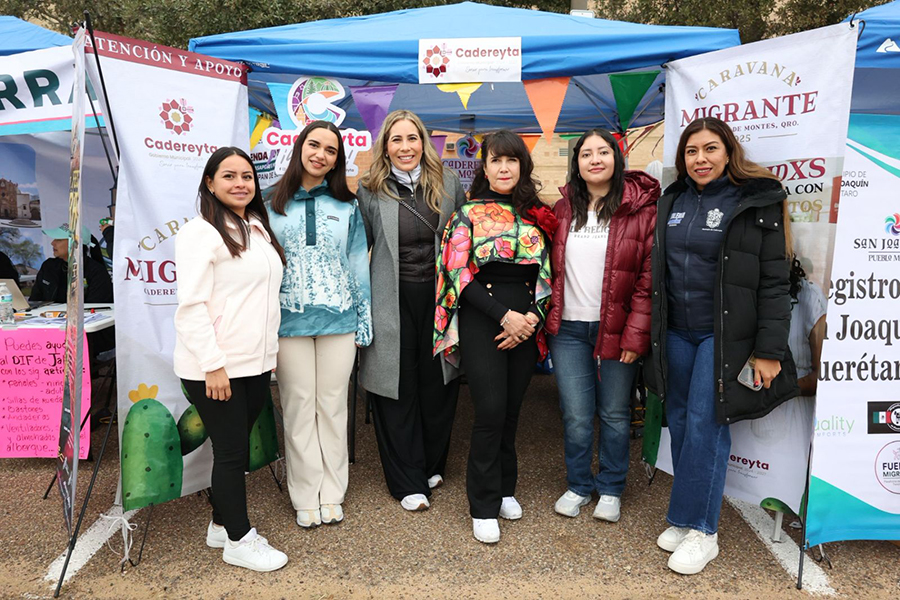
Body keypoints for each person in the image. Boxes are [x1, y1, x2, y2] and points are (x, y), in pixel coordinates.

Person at [649, 117, 799, 575]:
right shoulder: (671, 199)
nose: (700, 159)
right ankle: (683, 513)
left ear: (728, 151)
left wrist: (769, 349)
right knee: (679, 420)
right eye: (691, 152)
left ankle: (703, 530)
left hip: (725, 334)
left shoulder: (757, 201)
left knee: (705, 422)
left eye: (710, 149)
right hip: (676, 331)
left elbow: (775, 282)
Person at [434, 130, 555, 544]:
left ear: (522, 165)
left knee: (511, 411)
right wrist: (504, 316)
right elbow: (456, 274)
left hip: (525, 322)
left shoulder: (537, 213)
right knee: (488, 410)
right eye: (495, 160)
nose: (504, 168)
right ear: (484, 167)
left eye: (512, 160)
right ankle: (482, 504)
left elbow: (548, 274)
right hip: (483, 319)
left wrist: (530, 320)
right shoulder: (466, 214)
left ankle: (505, 487)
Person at [173, 147, 288, 572]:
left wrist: (267, 355)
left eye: (247, 176)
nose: (240, 183)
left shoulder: (256, 225)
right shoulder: (199, 232)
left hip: (254, 364)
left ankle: (220, 525)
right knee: (232, 452)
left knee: (234, 447)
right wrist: (212, 364)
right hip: (216, 368)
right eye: (229, 176)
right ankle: (239, 540)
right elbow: (191, 307)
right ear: (210, 182)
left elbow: (262, 301)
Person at [545, 129, 659, 522]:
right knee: (576, 413)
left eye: (603, 152)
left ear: (617, 158)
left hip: (617, 327)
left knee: (613, 412)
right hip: (569, 329)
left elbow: (648, 279)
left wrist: (636, 334)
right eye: (586, 154)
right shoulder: (562, 210)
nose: (595, 159)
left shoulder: (640, 210)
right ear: (576, 163)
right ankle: (578, 484)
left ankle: (611, 487)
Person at [357, 110, 466, 512]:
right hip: (391, 299)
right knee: (396, 386)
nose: (405, 147)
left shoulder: (449, 182)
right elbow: (358, 249)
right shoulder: (370, 189)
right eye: (396, 139)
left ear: (424, 142)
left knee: (438, 383)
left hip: (438, 300)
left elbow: (461, 241)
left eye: (412, 138)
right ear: (385, 146)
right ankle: (407, 480)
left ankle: (432, 463)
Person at [267, 120, 372, 529]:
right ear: (300, 148)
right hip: (287, 322)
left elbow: (357, 264)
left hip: (339, 320)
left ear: (337, 160)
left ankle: (333, 492)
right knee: (297, 407)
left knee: (332, 406)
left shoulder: (348, 205)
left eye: (330, 150)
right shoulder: (269, 201)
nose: (321, 155)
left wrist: (364, 319)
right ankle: (304, 494)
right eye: (314, 145)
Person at [30, 223, 112, 304]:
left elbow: (97, 309)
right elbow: (34, 301)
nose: (52, 243)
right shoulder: (48, 266)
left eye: (59, 239)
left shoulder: (97, 272)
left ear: (75, 243)